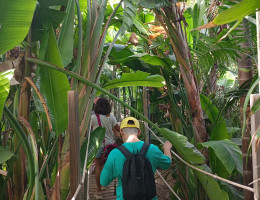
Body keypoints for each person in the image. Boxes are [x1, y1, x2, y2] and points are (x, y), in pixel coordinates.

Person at [100, 117, 172, 200]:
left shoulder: (115, 153)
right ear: (139, 132)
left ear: (121, 132)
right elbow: (167, 163)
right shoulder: (152, 149)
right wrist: (166, 148)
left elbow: (103, 181)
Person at [90, 97, 120, 199]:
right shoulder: (111, 117)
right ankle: (104, 184)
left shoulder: (94, 118)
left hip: (97, 144)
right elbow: (118, 129)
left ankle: (98, 191)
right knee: (106, 165)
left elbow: (88, 130)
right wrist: (115, 132)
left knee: (98, 166)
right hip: (109, 145)